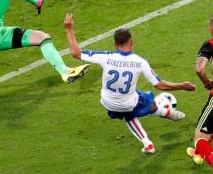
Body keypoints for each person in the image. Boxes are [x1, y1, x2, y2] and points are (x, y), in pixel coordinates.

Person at [64, 13, 196, 154]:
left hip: (107, 102)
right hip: (127, 102)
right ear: (131, 42)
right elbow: (159, 85)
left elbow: (76, 53)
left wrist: (69, 30)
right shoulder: (140, 62)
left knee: (130, 109)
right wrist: (182, 85)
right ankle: (168, 113)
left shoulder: (106, 57)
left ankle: (148, 144)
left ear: (115, 45)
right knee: (147, 101)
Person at [187, 16, 213, 168]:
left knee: (200, 138)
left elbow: (199, 69)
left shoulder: (210, 44)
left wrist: (207, 83)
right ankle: (199, 153)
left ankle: (202, 151)